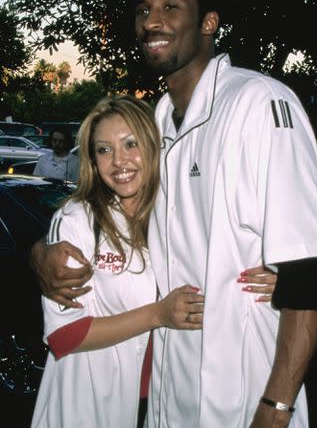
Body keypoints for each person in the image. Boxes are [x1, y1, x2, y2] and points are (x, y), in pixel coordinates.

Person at [29, 0, 317, 427]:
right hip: (168, 395)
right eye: (142, 10)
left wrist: (276, 407)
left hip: (244, 391)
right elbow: (108, 212)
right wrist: (40, 253)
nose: (152, 20)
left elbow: (311, 270)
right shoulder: (156, 121)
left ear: (208, 22)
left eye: (170, 6)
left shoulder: (259, 102)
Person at [31, 95, 205, 427]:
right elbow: (65, 334)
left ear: (153, 147)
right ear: (93, 161)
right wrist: (158, 314)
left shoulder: (173, 218)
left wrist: (273, 278)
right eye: (104, 150)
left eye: (130, 144)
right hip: (87, 405)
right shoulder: (77, 220)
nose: (119, 161)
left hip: (164, 400)